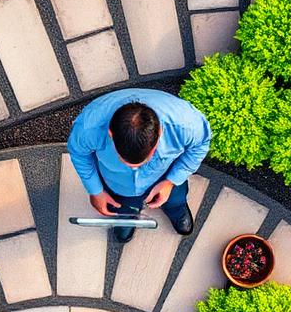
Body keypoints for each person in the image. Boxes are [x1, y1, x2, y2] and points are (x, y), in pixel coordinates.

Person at [67, 88, 211, 243]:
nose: (134, 169)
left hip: (165, 174)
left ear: (160, 133)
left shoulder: (186, 124)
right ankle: (126, 216)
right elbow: (79, 154)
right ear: (110, 134)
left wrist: (171, 181)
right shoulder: (88, 128)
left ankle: (176, 207)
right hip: (116, 183)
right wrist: (96, 190)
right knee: (123, 206)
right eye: (124, 161)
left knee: (175, 198)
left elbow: (201, 144)